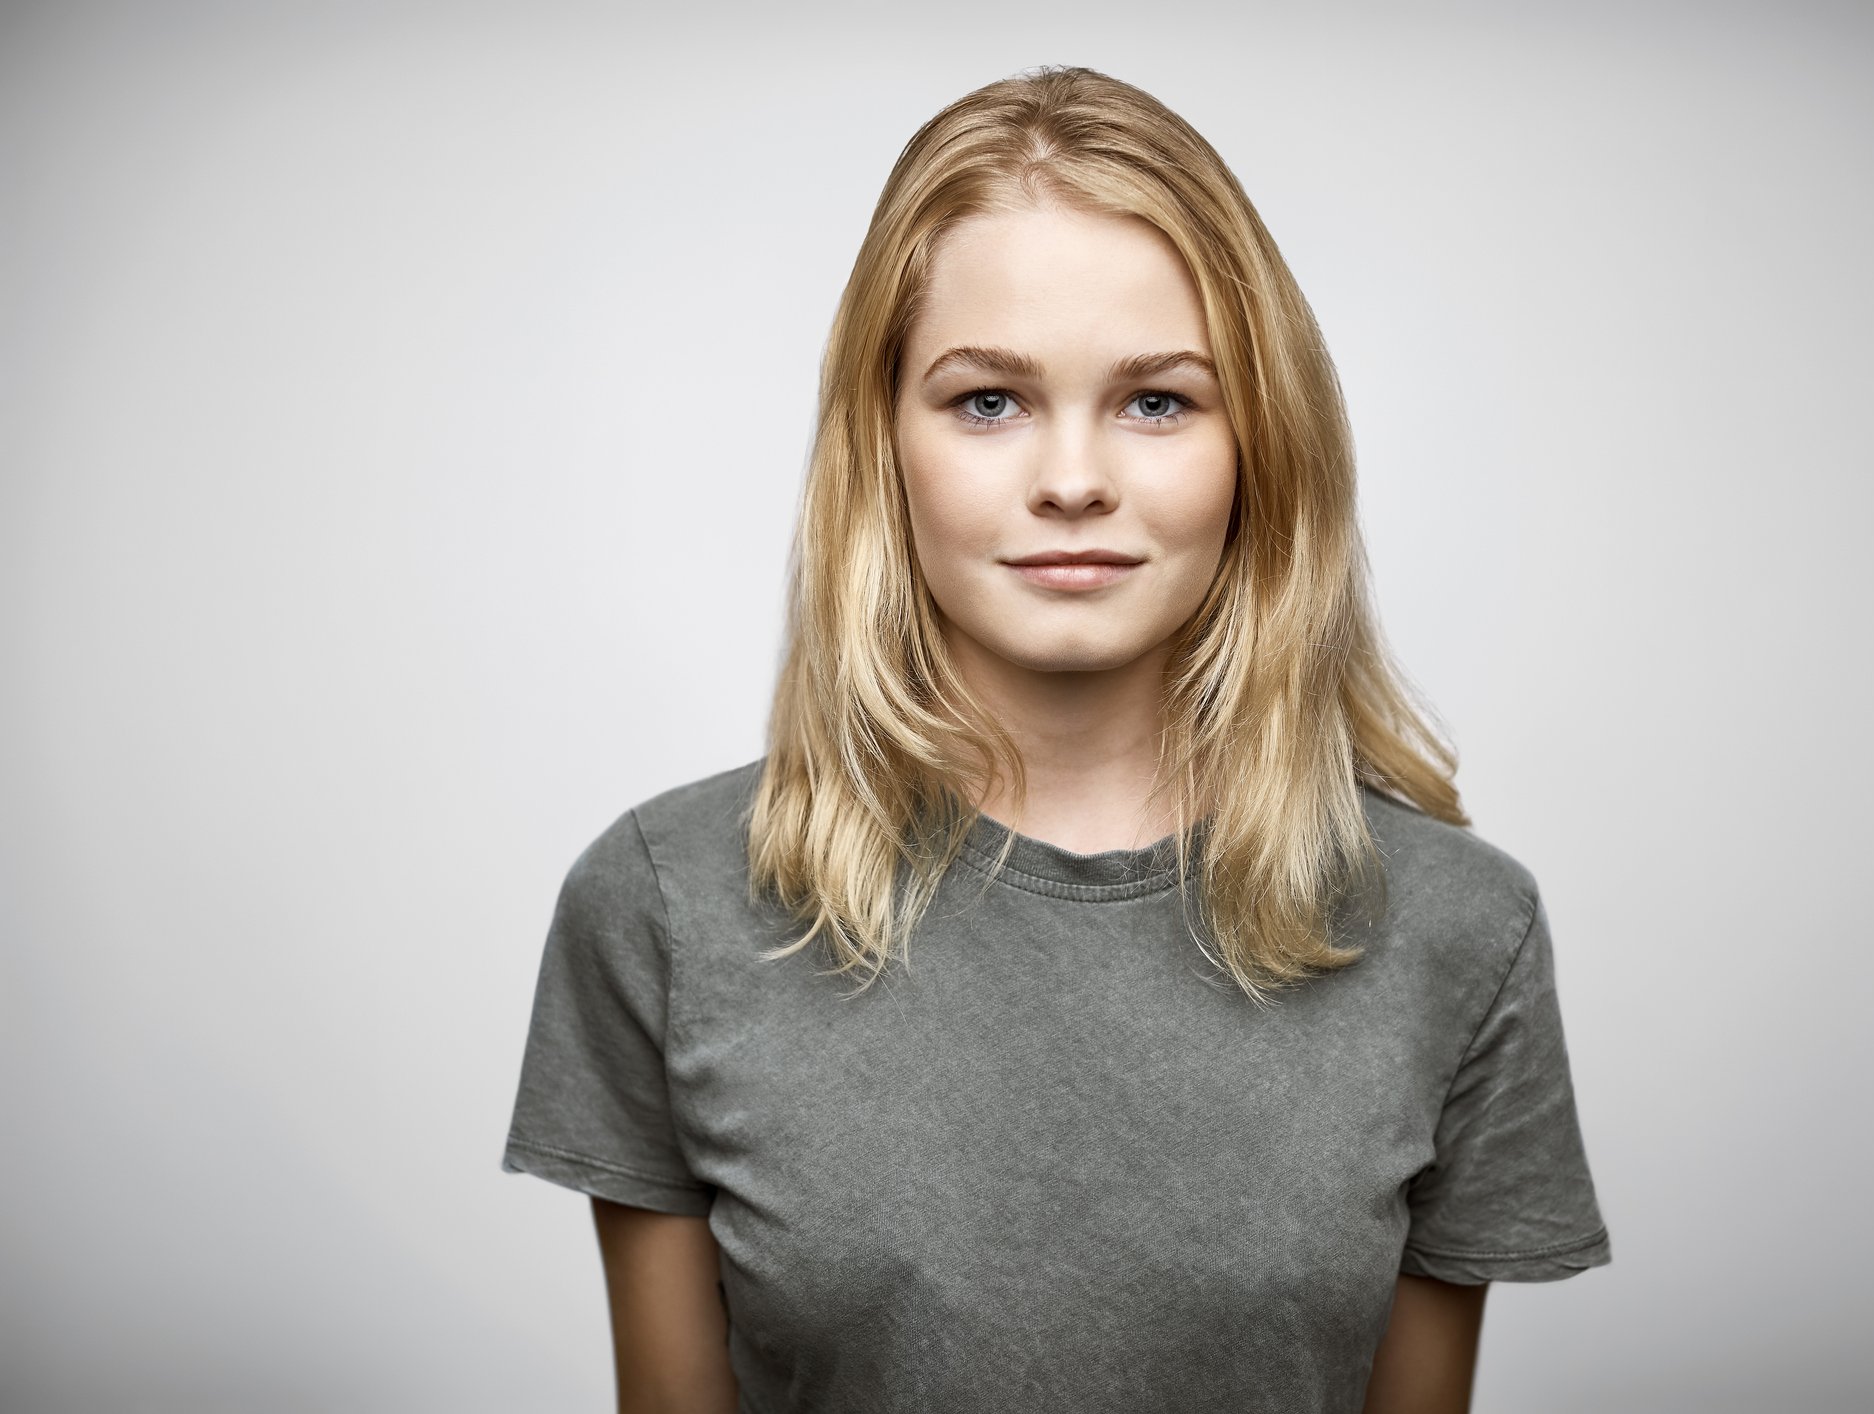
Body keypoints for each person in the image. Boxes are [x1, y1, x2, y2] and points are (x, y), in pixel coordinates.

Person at [501, 64, 1611, 1414]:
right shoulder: (666, 906)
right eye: (987, 400)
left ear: (1258, 442)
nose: (1072, 478)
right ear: (883, 440)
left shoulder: (1454, 931)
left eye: (1157, 401)